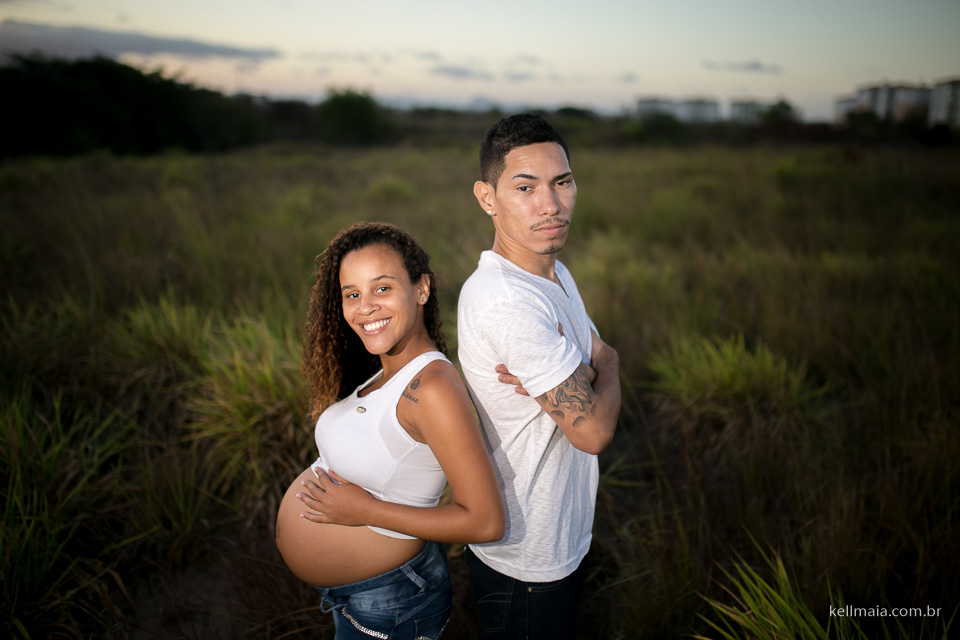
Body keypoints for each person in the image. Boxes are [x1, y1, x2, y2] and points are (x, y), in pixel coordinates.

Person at [275, 221, 505, 640]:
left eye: (382, 288)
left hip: (393, 601)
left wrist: (365, 513)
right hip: (365, 595)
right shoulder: (383, 371)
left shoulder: (432, 388)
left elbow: (486, 522)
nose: (365, 307)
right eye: (352, 294)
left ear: (421, 289)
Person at [457, 114, 622, 639]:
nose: (551, 205)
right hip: (527, 559)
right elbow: (592, 431)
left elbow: (597, 355)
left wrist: (597, 364)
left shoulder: (553, 270)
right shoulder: (508, 300)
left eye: (562, 182)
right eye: (525, 187)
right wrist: (607, 365)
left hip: (560, 534)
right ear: (487, 198)